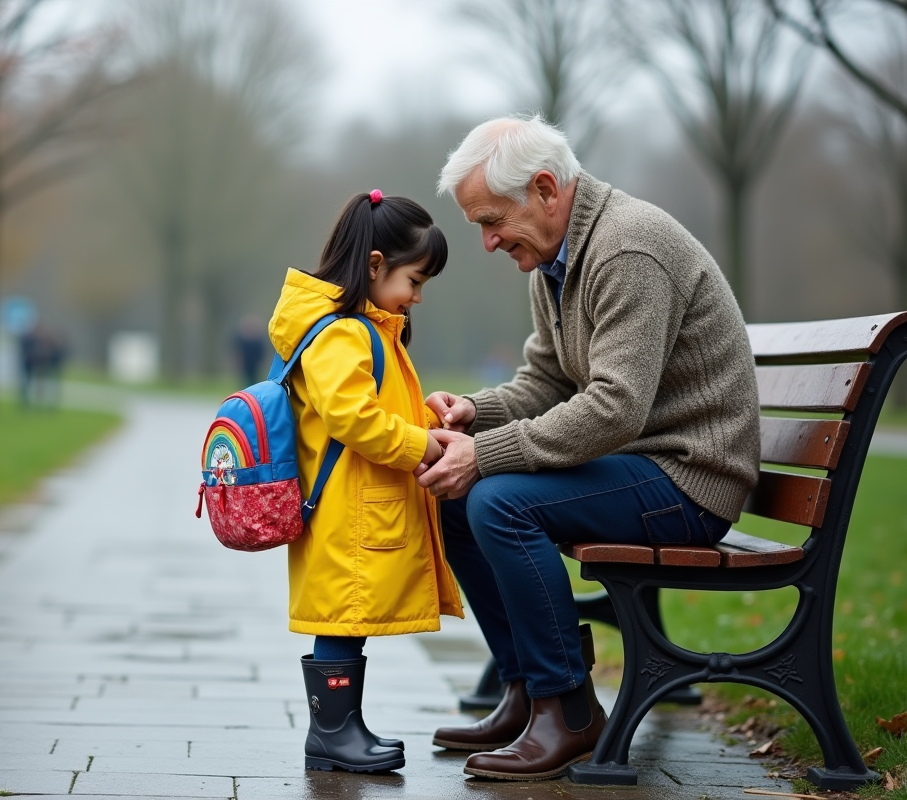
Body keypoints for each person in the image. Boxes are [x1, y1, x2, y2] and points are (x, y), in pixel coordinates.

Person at [416, 115, 760, 781]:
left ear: (545, 189)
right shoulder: (553, 260)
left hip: (689, 477)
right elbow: (547, 381)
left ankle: (567, 710)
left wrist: (483, 455)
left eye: (491, 221)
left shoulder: (627, 249)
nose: (487, 242)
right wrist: (472, 414)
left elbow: (614, 406)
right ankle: (525, 690)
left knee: (497, 501)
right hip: (640, 463)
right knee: (456, 500)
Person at [266, 190, 464, 774]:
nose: (417, 296)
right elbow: (351, 418)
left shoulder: (368, 328)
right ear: (375, 265)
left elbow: (378, 407)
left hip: (358, 504)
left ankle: (341, 728)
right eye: (414, 280)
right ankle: (331, 734)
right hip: (345, 509)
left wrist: (427, 416)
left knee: (348, 621)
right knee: (341, 620)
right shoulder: (340, 333)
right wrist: (419, 445)